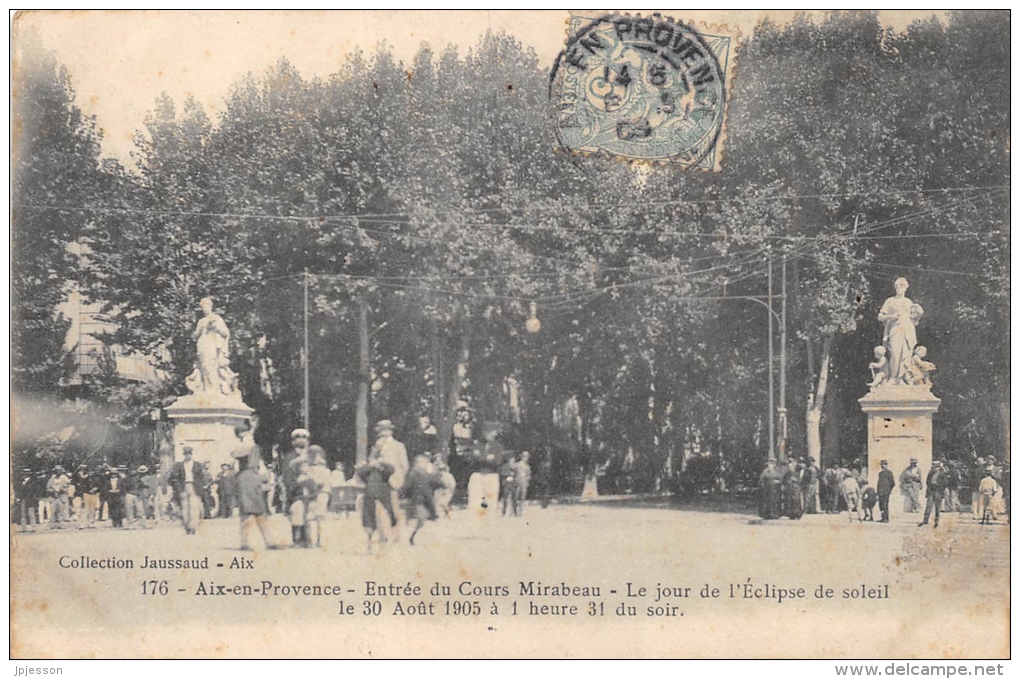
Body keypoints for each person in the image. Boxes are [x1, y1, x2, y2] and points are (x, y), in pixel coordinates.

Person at [187, 297, 238, 396]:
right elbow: (195, 336)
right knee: (204, 367)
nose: (205, 309)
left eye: (206, 306)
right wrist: (200, 329)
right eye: (203, 307)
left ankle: (213, 390)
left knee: (210, 366)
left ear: (210, 307)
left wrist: (216, 327)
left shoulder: (217, 319)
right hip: (202, 346)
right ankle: (205, 389)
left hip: (213, 345)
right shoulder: (201, 321)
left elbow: (225, 333)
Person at [877, 277, 921, 384]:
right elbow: (880, 316)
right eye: (897, 286)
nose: (899, 288)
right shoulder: (890, 301)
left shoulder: (908, 302)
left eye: (902, 286)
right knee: (895, 353)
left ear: (906, 288)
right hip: (895, 329)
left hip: (907, 330)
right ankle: (893, 377)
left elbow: (915, 317)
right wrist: (890, 316)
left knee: (905, 354)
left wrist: (918, 314)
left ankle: (901, 378)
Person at [372, 420, 409, 539]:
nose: (382, 434)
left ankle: (396, 534)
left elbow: (405, 465)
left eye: (384, 431)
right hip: (379, 480)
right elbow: (371, 461)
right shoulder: (377, 447)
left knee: (393, 507)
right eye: (381, 431)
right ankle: (382, 534)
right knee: (378, 507)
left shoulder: (398, 446)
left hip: (393, 481)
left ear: (390, 431)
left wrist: (399, 479)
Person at [356, 452, 398, 553]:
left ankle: (383, 543)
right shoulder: (367, 470)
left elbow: (391, 470)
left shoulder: (384, 469)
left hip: (382, 496)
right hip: (370, 495)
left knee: (384, 519)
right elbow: (360, 473)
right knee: (370, 520)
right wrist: (371, 466)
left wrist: (381, 465)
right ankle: (370, 544)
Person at [402, 454, 443, 545]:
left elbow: (436, 482)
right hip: (419, 500)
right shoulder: (414, 473)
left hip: (424, 499)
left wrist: (437, 472)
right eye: (424, 462)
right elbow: (407, 486)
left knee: (422, 520)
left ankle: (413, 537)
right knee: (421, 519)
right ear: (418, 463)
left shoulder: (424, 473)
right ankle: (412, 538)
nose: (425, 464)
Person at [236, 455, 272, 550]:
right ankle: (269, 542)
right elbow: (266, 487)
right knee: (263, 524)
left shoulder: (239, 476)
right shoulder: (256, 476)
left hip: (245, 504)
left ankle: (244, 544)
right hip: (257, 503)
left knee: (245, 525)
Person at [468, 422, 504, 518]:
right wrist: (487, 458)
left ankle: (490, 527)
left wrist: (480, 456)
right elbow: (471, 459)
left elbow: (497, 461)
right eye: (486, 431)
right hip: (477, 475)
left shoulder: (498, 446)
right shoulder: (477, 444)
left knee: (491, 502)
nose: (487, 433)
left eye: (491, 431)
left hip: (491, 475)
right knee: (475, 501)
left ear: (495, 432)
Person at [168, 447, 208, 534]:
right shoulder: (179, 465)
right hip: (183, 487)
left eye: (189, 453)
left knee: (194, 507)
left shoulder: (197, 465)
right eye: (186, 454)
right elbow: (174, 477)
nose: (187, 455)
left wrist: (202, 486)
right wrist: (177, 487)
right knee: (185, 507)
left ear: (191, 454)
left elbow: (202, 477)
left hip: (194, 486)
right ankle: (187, 526)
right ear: (184, 455)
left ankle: (193, 526)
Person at [919, 460, 947, 528]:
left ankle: (936, 521)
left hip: (938, 490)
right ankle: (925, 520)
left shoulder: (942, 473)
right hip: (931, 490)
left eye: (935, 465)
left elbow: (945, 483)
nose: (933, 467)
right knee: (928, 506)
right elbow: (927, 481)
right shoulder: (931, 473)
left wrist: (940, 489)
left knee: (937, 507)